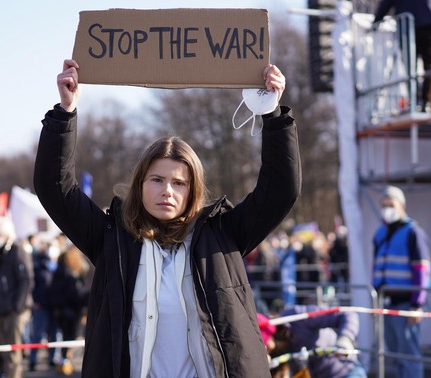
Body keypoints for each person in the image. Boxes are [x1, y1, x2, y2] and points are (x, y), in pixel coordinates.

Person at [33, 59, 300, 377]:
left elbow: (281, 189)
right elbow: (54, 188)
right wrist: (65, 112)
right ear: (140, 184)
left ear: (192, 189)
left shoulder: (223, 235)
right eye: (157, 180)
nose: (167, 191)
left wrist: (271, 113)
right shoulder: (111, 238)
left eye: (179, 183)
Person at [372, 185, 430, 378]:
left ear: (402, 205)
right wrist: (374, 299)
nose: (386, 208)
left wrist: (416, 304)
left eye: (390, 204)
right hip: (386, 304)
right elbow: (377, 267)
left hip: (406, 305)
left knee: (409, 357)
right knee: (394, 356)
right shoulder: (380, 233)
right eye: (383, 205)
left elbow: (421, 270)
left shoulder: (413, 232)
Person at [0, 216, 33, 378]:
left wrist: (17, 306)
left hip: (13, 311)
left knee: (12, 356)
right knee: (1, 353)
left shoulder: (17, 250)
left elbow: (26, 280)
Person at [259, 305, 367, 378]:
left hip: (345, 372)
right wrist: (263, 367)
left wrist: (345, 338)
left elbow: (345, 313)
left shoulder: (295, 317)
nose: (266, 349)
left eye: (265, 343)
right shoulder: (274, 355)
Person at [373, 0, 431, 112]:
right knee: (427, 67)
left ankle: (416, 101)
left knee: (410, 67)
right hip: (425, 25)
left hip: (407, 28)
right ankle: (423, 101)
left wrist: (376, 21)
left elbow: (385, 4)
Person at [48, 245, 90, 375]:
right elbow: (74, 295)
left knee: (64, 339)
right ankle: (65, 363)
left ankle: (63, 362)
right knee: (68, 338)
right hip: (69, 312)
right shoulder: (69, 275)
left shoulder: (60, 271)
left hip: (62, 311)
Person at [28, 233, 59, 372]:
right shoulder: (37, 264)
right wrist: (35, 301)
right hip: (41, 305)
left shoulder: (58, 265)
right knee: (37, 334)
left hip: (54, 306)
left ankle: (53, 358)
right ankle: (32, 360)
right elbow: (32, 284)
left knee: (54, 334)